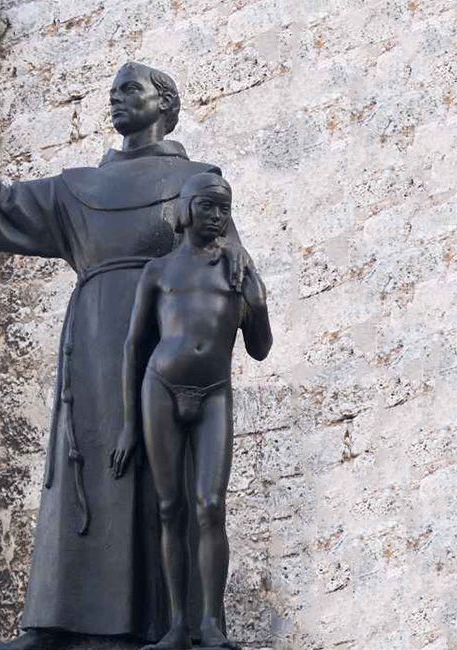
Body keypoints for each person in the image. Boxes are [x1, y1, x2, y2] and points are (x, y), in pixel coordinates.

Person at [0, 63, 257, 649]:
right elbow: (1, 205)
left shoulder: (197, 180)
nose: (117, 97)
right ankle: (54, 625)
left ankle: (173, 626)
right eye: (112, 91)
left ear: (166, 103)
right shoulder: (74, 187)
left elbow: (228, 261)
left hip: (167, 343)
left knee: (168, 486)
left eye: (132, 89)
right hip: (94, 341)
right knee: (82, 469)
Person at [112, 173, 272, 650]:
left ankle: (209, 623)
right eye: (208, 206)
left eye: (224, 208)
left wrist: (257, 303)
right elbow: (134, 346)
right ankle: (177, 624)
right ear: (185, 211)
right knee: (169, 507)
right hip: (160, 387)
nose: (218, 216)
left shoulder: (237, 269)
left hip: (214, 390)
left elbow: (260, 349)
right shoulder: (158, 271)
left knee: (210, 505)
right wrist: (126, 425)